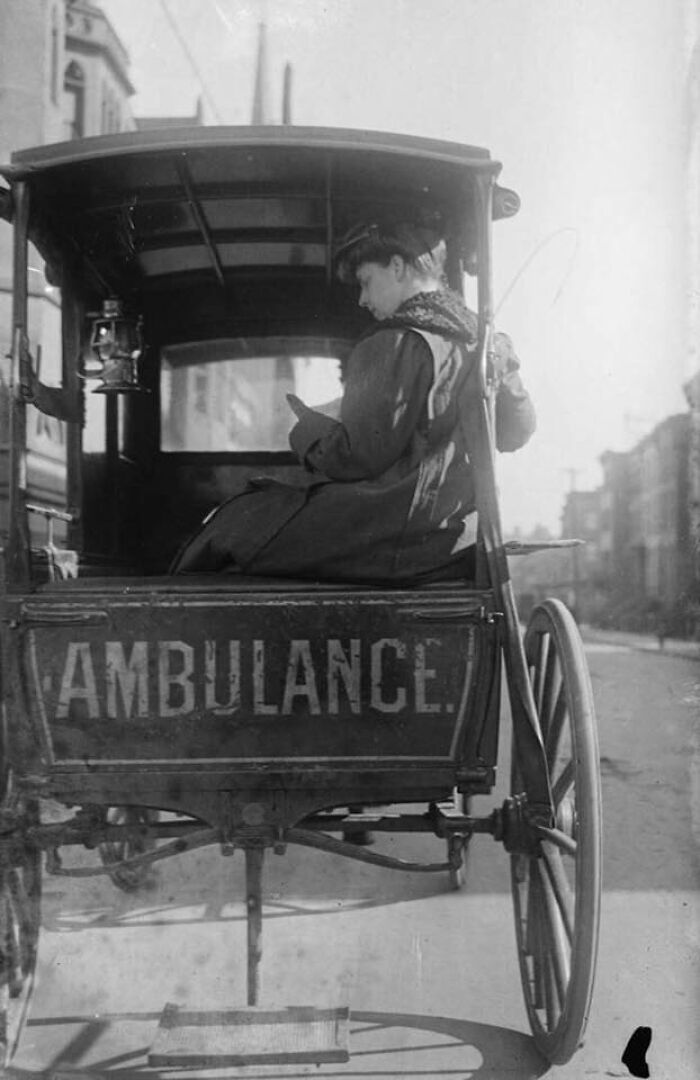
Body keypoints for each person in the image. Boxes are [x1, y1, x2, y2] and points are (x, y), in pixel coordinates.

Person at [171, 221, 536, 582]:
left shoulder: (392, 342)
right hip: (454, 538)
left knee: (234, 521)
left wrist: (304, 431)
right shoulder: (487, 346)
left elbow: (356, 457)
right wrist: (501, 362)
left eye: (366, 282)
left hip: (393, 536)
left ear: (397, 267)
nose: (362, 299)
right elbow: (516, 432)